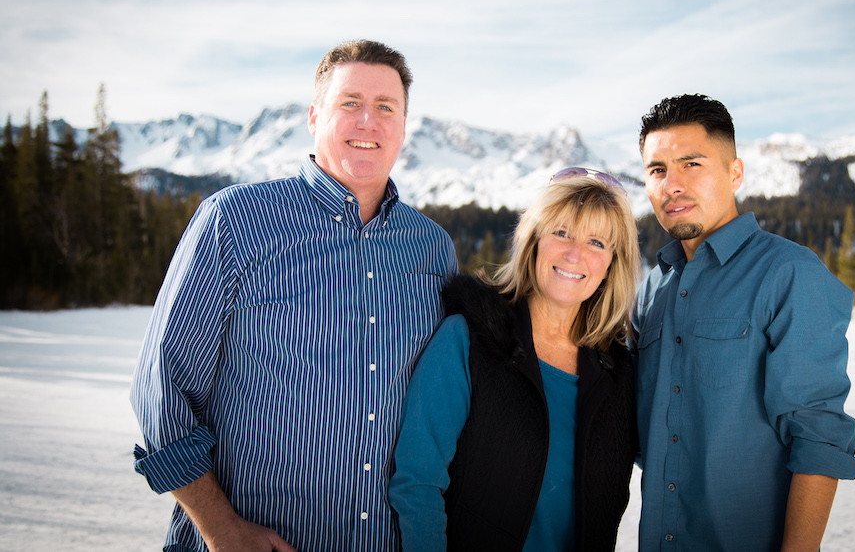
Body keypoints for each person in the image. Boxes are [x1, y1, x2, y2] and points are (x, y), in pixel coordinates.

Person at [130, 39, 458, 552]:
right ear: (313, 116)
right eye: (349, 103)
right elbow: (160, 394)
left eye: (385, 107)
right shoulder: (236, 222)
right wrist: (222, 530)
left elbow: (442, 413)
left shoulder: (432, 250)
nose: (368, 122)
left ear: (403, 126)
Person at [633, 94, 855, 551]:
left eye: (691, 164)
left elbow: (817, 435)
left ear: (734, 173)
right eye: (658, 170)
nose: (671, 184)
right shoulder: (651, 288)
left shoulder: (789, 273)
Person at [388, 168, 641, 551]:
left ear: (611, 263)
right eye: (561, 233)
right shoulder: (469, 339)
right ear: (534, 239)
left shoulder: (618, 374)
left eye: (596, 242)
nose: (575, 254)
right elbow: (418, 481)